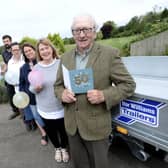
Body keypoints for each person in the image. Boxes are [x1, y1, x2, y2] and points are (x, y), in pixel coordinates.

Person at [54, 14, 136, 168]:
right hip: (72, 126)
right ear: (72, 33)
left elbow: (128, 85)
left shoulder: (109, 54)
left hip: (97, 126)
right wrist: (62, 94)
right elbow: (57, 86)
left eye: (86, 29)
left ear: (95, 31)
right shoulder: (65, 58)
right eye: (77, 30)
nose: (82, 34)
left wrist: (104, 95)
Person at [33, 38, 69, 162]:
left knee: (63, 130)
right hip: (45, 107)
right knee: (51, 131)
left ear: (51, 49)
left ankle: (64, 148)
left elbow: (68, 83)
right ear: (39, 52)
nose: (45, 51)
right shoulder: (36, 68)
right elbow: (31, 88)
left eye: (46, 47)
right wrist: (36, 88)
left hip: (61, 106)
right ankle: (57, 148)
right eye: (41, 49)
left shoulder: (61, 64)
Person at [19, 43, 48, 145]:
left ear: (35, 50)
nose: (28, 53)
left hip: (44, 94)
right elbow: (21, 83)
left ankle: (52, 130)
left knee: (47, 115)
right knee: (36, 116)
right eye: (26, 52)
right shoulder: (23, 68)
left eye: (30, 50)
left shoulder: (42, 63)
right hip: (31, 97)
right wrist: (24, 95)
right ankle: (44, 133)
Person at [1, 35, 20, 120]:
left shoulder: (16, 50)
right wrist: (3, 70)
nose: (6, 43)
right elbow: (6, 64)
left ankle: (24, 112)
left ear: (11, 41)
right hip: (9, 77)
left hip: (18, 76)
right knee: (10, 94)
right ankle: (16, 111)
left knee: (19, 93)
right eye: (4, 42)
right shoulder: (4, 53)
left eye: (7, 41)